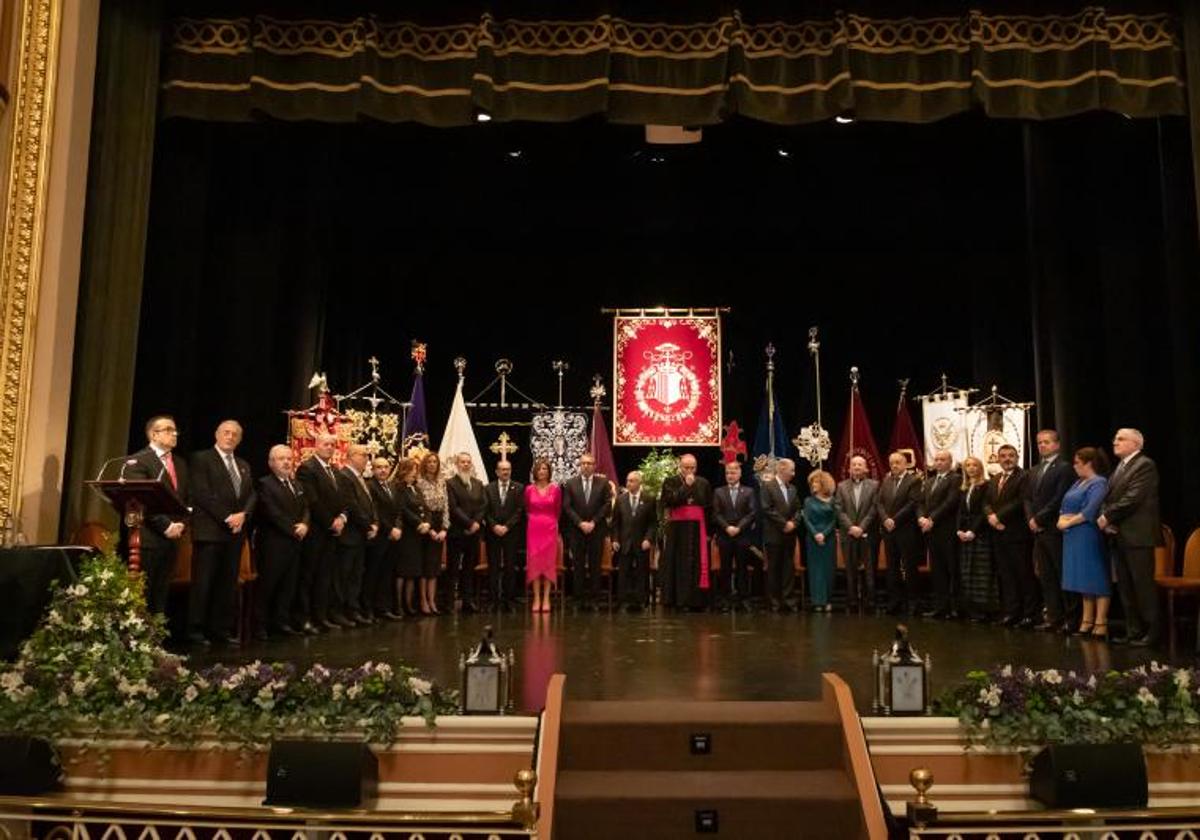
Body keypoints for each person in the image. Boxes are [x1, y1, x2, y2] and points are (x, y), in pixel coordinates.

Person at [187, 419, 256, 646]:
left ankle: (221, 630)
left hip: (235, 533)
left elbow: (252, 495)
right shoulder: (201, 459)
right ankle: (196, 630)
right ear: (216, 435)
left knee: (226, 585)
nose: (230, 437)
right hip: (210, 531)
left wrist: (243, 515)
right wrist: (228, 517)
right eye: (226, 432)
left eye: (235, 434)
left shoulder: (243, 464)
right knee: (204, 583)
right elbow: (202, 493)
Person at [1099, 428, 1162, 646]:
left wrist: (1107, 516)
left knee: (1142, 586)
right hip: (1120, 534)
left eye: (1121, 438)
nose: (1115, 442)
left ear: (1136, 444)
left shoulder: (1144, 465)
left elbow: (1133, 498)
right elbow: (1108, 496)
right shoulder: (1121, 467)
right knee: (1126, 587)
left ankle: (1152, 633)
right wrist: (1106, 518)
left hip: (1138, 536)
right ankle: (1133, 631)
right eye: (1115, 438)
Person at [125, 415, 190, 616]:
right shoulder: (138, 461)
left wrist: (180, 524)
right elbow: (140, 500)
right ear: (154, 434)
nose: (174, 434)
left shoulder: (180, 463)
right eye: (169, 430)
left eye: (175, 430)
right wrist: (165, 525)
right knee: (143, 593)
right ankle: (139, 642)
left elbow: (186, 498)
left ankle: (156, 641)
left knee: (161, 594)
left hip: (173, 538)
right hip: (148, 538)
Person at [253, 445, 308, 640]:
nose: (286, 462)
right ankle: (260, 625)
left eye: (289, 458)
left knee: (288, 585)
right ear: (271, 463)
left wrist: (305, 524)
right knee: (268, 585)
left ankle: (281, 622)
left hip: (294, 544)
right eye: (281, 459)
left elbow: (305, 509)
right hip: (273, 544)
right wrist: (294, 530)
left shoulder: (297, 485)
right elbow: (271, 512)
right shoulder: (264, 484)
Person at [1024, 430, 1076, 632]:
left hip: (1055, 529)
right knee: (1046, 576)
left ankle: (1070, 620)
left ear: (1057, 445)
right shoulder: (1034, 470)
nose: (1042, 446)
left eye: (1046, 442)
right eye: (1039, 443)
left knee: (1062, 574)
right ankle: (1054, 617)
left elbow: (1059, 497)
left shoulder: (1064, 468)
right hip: (1038, 530)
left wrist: (1039, 518)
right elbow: (1027, 498)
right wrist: (1030, 518)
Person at [1059, 447, 1111, 640]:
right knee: (1083, 579)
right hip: (1072, 535)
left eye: (1077, 462)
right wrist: (1060, 520)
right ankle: (1086, 620)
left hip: (1088, 533)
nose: (1074, 466)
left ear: (1088, 463)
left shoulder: (1099, 483)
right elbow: (1065, 506)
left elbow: (1090, 509)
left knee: (1096, 576)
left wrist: (1069, 522)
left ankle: (1101, 622)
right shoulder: (1078, 483)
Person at [294, 434, 345, 633]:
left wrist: (341, 518)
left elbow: (342, 500)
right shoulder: (307, 468)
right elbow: (312, 501)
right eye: (326, 444)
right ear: (316, 445)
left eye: (333, 445)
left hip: (332, 532)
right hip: (315, 532)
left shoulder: (335, 470)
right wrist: (331, 521)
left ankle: (321, 617)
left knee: (325, 577)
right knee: (309, 577)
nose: (329, 447)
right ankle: (304, 619)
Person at [985, 444, 1036, 628]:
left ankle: (1029, 614)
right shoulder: (995, 478)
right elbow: (986, 501)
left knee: (1023, 574)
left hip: (1017, 534)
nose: (1007, 459)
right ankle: (1011, 612)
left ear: (1017, 457)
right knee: (1006, 575)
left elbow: (1019, 501)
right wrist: (990, 515)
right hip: (997, 534)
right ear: (998, 458)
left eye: (1011, 455)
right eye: (1003, 456)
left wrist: (999, 516)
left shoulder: (1024, 477)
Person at [660, 453, 714, 610]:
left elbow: (709, 508)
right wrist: (685, 487)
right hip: (677, 530)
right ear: (680, 467)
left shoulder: (703, 483)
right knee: (677, 563)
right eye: (686, 468)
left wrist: (709, 532)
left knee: (697, 563)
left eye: (693, 468)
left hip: (698, 529)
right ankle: (677, 601)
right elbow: (669, 501)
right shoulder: (670, 482)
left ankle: (697, 601)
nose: (690, 471)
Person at [561, 453, 612, 610]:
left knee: (595, 566)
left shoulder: (603, 483)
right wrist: (580, 523)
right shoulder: (570, 483)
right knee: (578, 566)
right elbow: (567, 507)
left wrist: (593, 522)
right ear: (579, 465)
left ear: (594, 465)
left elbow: (607, 505)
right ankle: (578, 599)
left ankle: (594, 599)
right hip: (577, 531)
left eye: (589, 463)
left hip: (596, 530)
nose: (586, 466)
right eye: (583, 463)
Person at [335, 444, 378, 625]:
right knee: (343, 576)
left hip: (360, 536)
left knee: (356, 575)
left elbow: (369, 504)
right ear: (352, 456)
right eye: (364, 455)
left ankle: (353, 609)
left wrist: (374, 523)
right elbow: (352, 506)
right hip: (350, 535)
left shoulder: (360, 478)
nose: (367, 459)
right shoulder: (345, 475)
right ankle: (339, 611)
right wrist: (368, 525)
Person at [918, 450, 961, 619]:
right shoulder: (929, 482)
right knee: (938, 571)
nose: (939, 462)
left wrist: (932, 519)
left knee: (952, 570)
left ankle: (955, 608)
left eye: (943, 459)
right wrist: (921, 517)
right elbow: (920, 502)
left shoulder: (955, 479)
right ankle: (940, 607)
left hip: (947, 531)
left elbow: (950, 502)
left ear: (950, 462)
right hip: (931, 533)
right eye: (936, 459)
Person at [878, 452, 921, 616]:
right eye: (892, 463)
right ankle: (894, 601)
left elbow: (912, 503)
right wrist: (885, 519)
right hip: (889, 531)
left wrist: (894, 520)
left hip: (906, 530)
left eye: (898, 462)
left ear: (905, 464)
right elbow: (879, 502)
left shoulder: (914, 480)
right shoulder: (887, 480)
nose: (894, 465)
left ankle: (913, 603)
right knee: (892, 568)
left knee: (910, 567)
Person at [835, 455, 879, 613]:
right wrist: (851, 527)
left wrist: (861, 527)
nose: (857, 467)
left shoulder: (874, 485)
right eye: (854, 465)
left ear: (866, 468)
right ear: (849, 469)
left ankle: (870, 602)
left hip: (868, 533)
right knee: (850, 570)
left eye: (860, 464)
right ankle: (852, 601)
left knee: (869, 570)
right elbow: (839, 510)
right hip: (849, 534)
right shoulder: (841, 486)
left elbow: (874, 509)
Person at [712, 461, 758, 611]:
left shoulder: (749, 491)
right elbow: (716, 514)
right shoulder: (719, 492)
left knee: (742, 569)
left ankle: (743, 599)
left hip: (742, 537)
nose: (730, 476)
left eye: (733, 473)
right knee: (725, 569)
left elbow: (752, 513)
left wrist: (738, 527)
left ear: (739, 474)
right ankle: (725, 599)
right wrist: (727, 527)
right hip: (725, 537)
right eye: (727, 473)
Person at [956, 457, 997, 622]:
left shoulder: (986, 485)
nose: (971, 468)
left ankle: (986, 610)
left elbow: (983, 511)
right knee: (968, 572)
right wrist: (959, 529)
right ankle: (972, 610)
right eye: (968, 465)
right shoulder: (964, 487)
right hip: (965, 534)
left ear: (980, 468)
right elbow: (960, 511)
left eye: (974, 465)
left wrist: (973, 530)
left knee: (982, 572)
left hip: (981, 534)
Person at [446, 452, 487, 613]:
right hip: (457, 532)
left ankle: (467, 602)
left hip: (474, 534)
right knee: (453, 568)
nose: (465, 465)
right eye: (462, 462)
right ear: (457, 464)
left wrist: (476, 523)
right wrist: (469, 523)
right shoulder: (450, 483)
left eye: (468, 462)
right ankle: (449, 603)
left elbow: (483, 505)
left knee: (469, 568)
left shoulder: (477, 483)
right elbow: (453, 507)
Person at [611, 470, 657, 612]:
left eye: (632, 481)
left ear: (639, 482)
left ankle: (640, 601)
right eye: (628, 480)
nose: (628, 483)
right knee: (623, 573)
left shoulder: (649, 499)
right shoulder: (620, 500)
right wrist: (615, 539)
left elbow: (653, 523)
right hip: (624, 543)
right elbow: (615, 523)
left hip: (641, 543)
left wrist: (648, 539)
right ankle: (623, 601)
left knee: (641, 573)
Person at [761, 457, 801, 612]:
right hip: (774, 535)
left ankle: (788, 601)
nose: (793, 473)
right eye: (791, 470)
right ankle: (774, 602)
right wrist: (784, 524)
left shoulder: (792, 489)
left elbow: (798, 509)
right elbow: (767, 508)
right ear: (782, 469)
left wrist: (794, 523)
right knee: (773, 569)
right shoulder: (767, 486)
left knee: (788, 570)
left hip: (789, 536)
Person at [484, 460, 525, 610]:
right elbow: (485, 511)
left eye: (508, 469)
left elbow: (520, 511)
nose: (505, 472)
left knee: (509, 566)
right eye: (502, 469)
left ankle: (509, 599)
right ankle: (493, 599)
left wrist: (506, 526)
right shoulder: (488, 488)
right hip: (492, 533)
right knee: (493, 566)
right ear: (496, 472)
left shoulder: (519, 488)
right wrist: (494, 525)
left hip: (511, 533)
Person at [366, 457, 403, 621]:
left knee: (387, 574)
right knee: (373, 574)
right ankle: (369, 609)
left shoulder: (392, 486)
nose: (383, 470)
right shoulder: (370, 487)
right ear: (373, 470)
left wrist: (399, 527)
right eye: (379, 467)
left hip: (393, 538)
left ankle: (383, 607)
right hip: (379, 537)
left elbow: (399, 511)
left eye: (386, 467)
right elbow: (376, 512)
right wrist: (390, 528)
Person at [525, 457, 561, 613]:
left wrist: (552, 524)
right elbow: (527, 508)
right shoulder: (529, 490)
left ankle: (546, 598)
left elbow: (558, 510)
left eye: (545, 469)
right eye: (539, 469)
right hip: (534, 529)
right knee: (535, 564)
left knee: (547, 564)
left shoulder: (555, 489)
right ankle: (536, 599)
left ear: (549, 472)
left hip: (550, 529)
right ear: (535, 471)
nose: (542, 471)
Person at [416, 452, 449, 615]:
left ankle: (432, 600)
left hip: (439, 524)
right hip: (425, 525)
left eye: (435, 462)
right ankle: (423, 601)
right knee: (425, 567)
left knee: (434, 568)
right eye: (429, 462)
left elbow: (446, 507)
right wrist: (429, 530)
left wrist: (444, 528)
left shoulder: (442, 481)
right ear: (425, 464)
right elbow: (420, 507)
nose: (432, 464)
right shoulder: (419, 482)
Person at [394, 458, 427, 616]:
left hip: (417, 536)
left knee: (413, 572)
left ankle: (409, 605)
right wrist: (418, 523)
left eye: (416, 470)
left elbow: (425, 508)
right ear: (404, 471)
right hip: (406, 534)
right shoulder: (399, 488)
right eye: (412, 470)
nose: (415, 473)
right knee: (402, 571)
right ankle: (399, 604)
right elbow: (403, 509)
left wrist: (426, 522)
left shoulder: (416, 488)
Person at [803, 469, 837, 612]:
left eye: (816, 482)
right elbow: (806, 519)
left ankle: (828, 600)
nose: (813, 485)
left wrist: (824, 534)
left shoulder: (833, 501)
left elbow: (835, 520)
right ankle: (817, 601)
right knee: (815, 570)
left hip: (828, 539)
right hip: (812, 539)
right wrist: (816, 534)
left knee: (828, 569)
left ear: (823, 483)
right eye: (812, 483)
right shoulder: (808, 501)